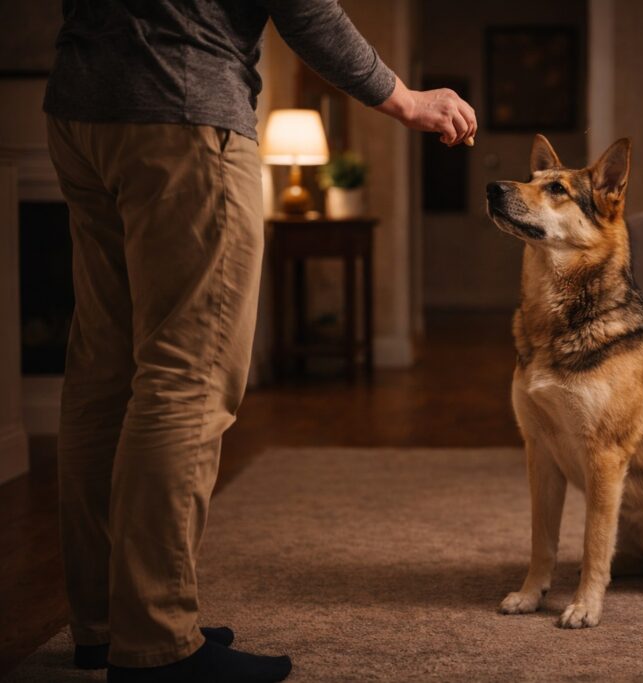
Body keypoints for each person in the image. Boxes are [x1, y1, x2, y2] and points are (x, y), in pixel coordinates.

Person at [43, 2, 476, 681]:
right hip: (182, 109)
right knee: (186, 376)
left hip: (79, 109)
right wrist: (406, 100)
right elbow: (304, 7)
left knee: (103, 372)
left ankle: (106, 622)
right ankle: (155, 640)